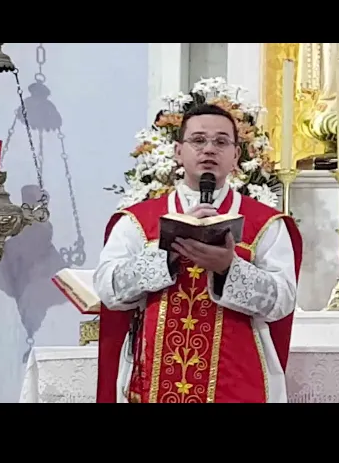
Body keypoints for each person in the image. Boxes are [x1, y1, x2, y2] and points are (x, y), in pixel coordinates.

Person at [93, 103, 303, 403]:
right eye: (198, 140)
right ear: (178, 151)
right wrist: (165, 255)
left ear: (236, 155)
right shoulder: (137, 222)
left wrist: (229, 268)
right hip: (153, 377)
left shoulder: (265, 224)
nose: (209, 149)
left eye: (221, 141)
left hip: (236, 380)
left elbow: (282, 301)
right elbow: (108, 289)